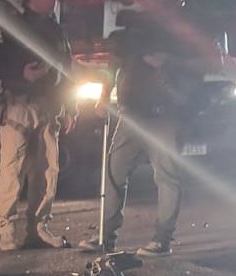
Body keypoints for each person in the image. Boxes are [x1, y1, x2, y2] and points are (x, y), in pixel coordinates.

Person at [80, 0, 217, 256]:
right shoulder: (134, 25)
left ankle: (162, 239)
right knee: (113, 172)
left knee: (166, 176)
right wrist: (104, 95)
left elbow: (211, 63)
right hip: (131, 114)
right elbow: (114, 64)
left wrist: (169, 61)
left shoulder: (185, 26)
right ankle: (104, 236)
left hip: (166, 114)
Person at [0, 0, 73, 251]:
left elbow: (67, 69)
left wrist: (70, 109)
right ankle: (6, 229)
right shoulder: (10, 25)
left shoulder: (56, 30)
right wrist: (21, 73)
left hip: (49, 106)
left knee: (47, 171)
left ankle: (38, 228)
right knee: (12, 169)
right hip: (19, 105)